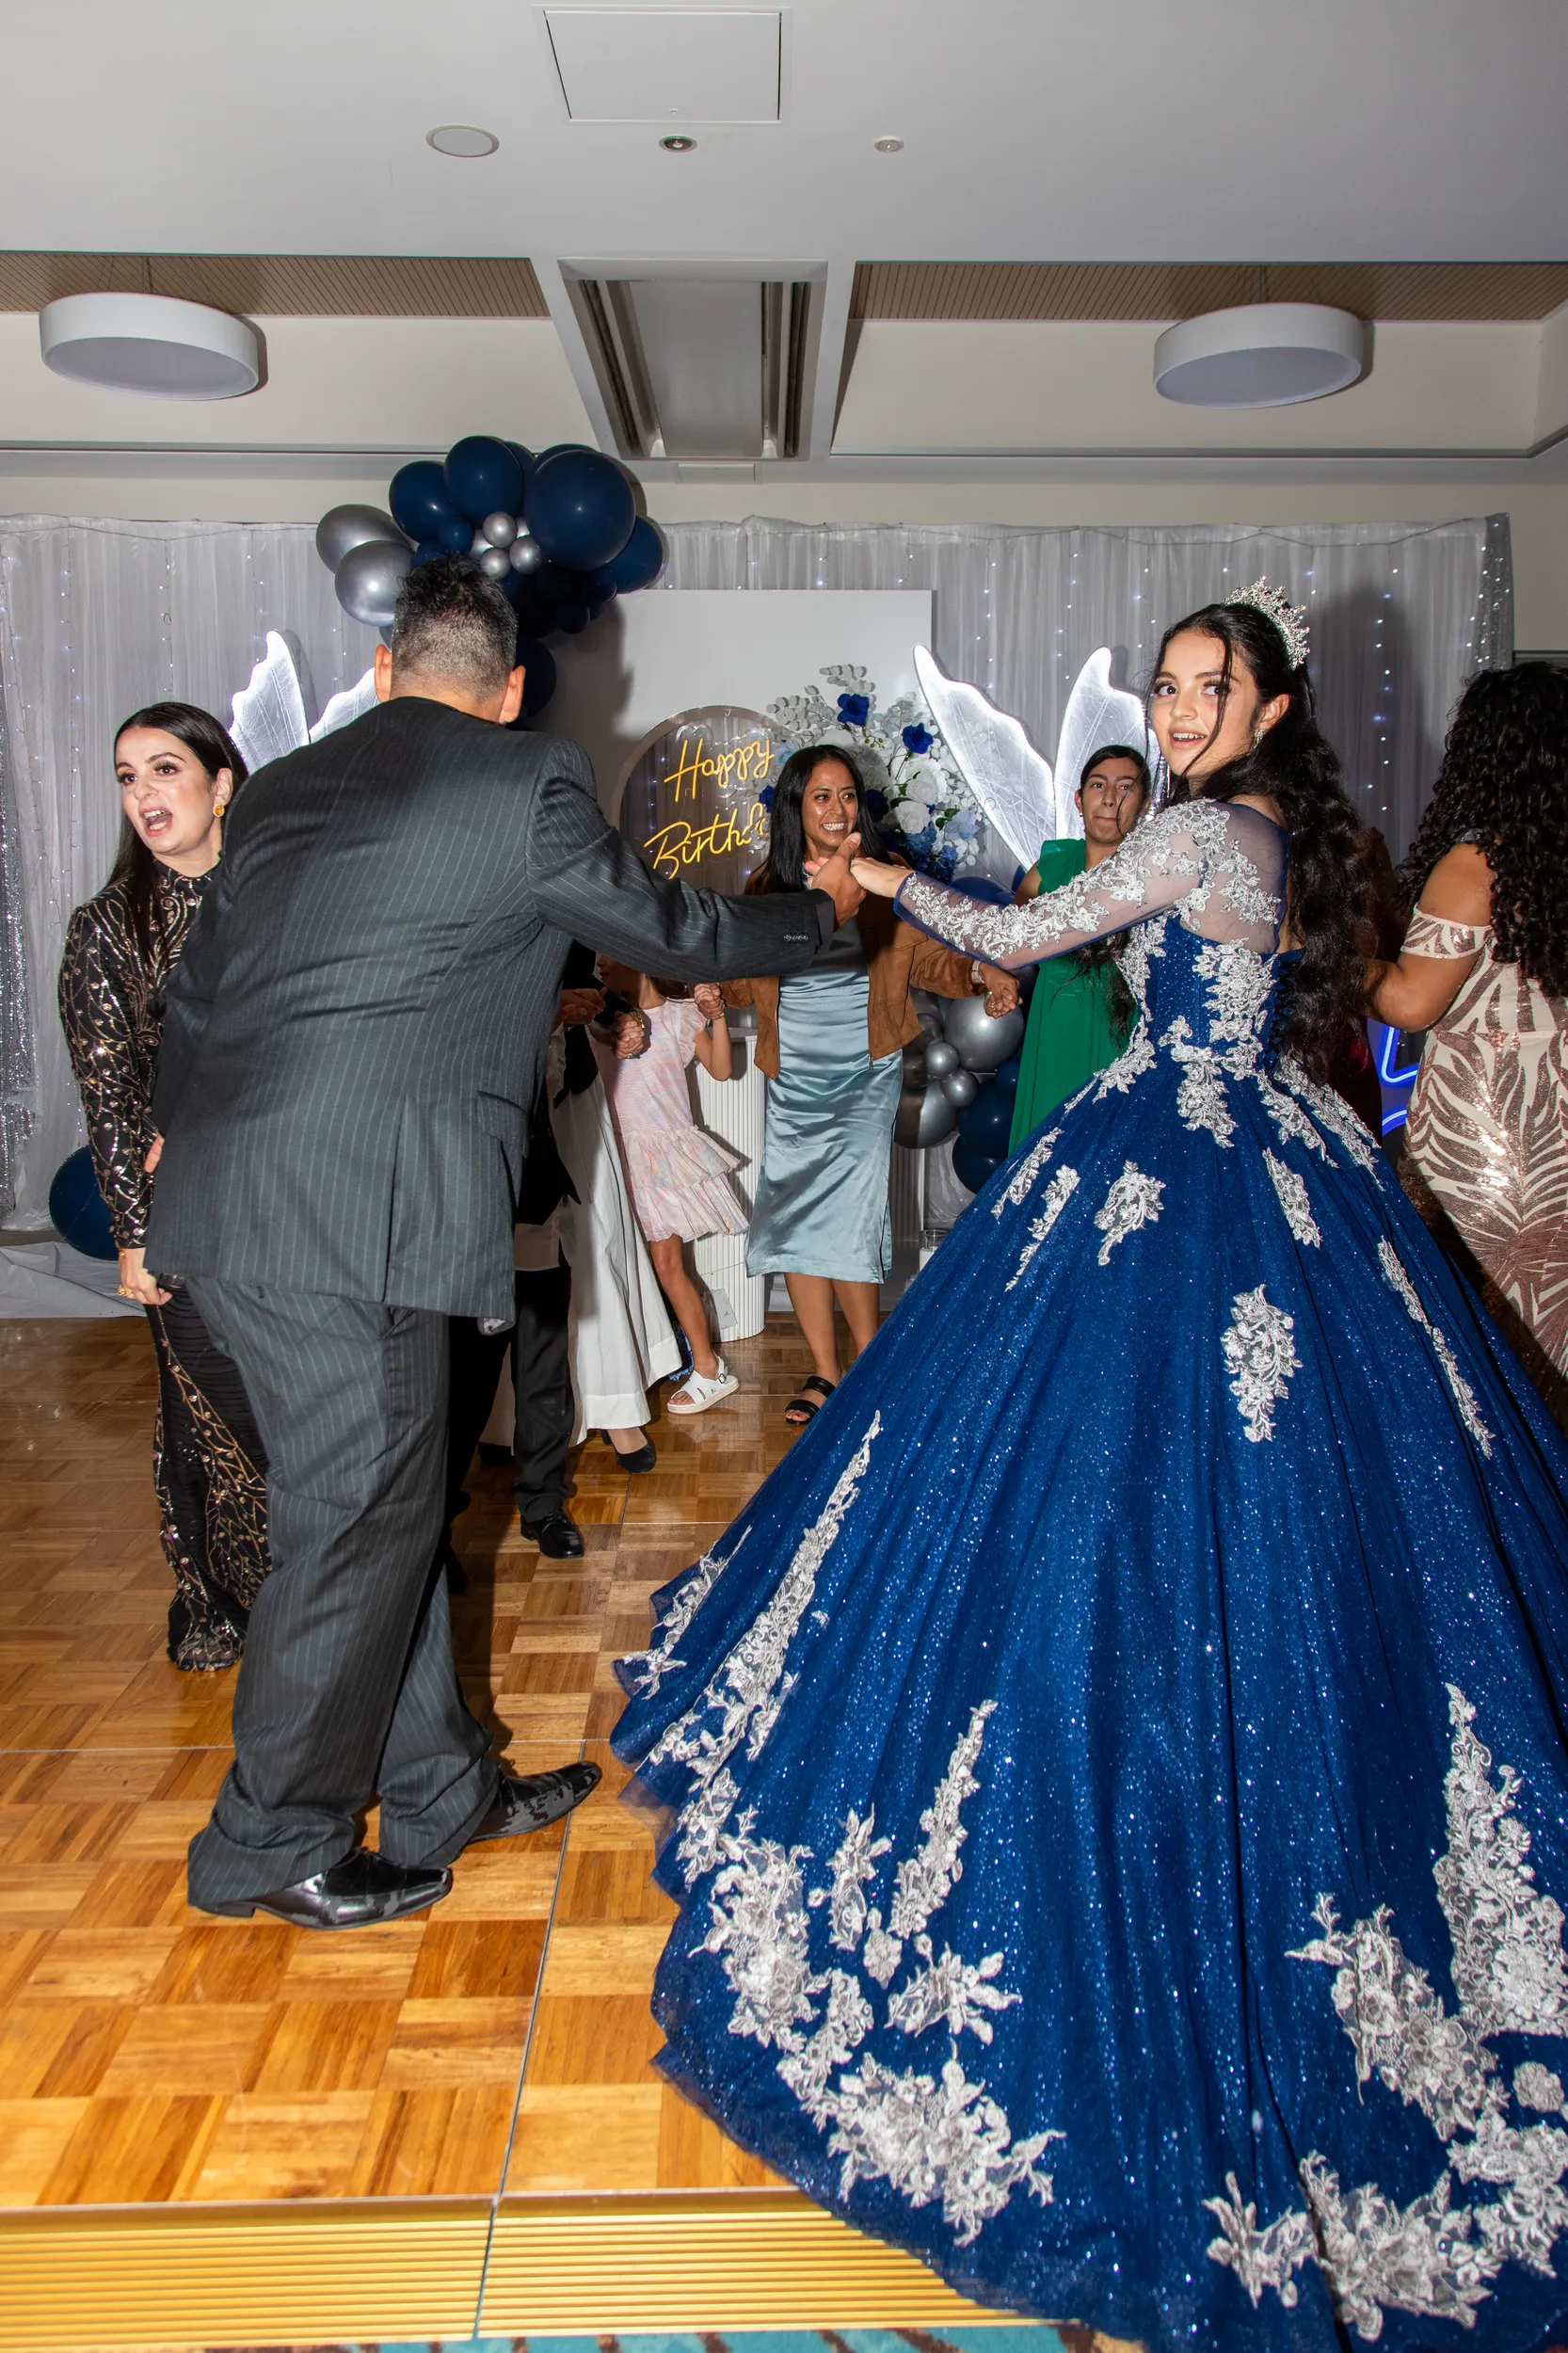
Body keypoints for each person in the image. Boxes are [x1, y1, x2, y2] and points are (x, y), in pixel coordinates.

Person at [610, 584, 1568, 2350]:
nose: (1180, 706)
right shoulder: (1281, 832)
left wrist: (888, 880)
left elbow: (1042, 929)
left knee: (1110, 1504)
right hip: (1254, 1158)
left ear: (1268, 707)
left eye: (1211, 687)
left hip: (1180, 1173)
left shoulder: (1210, 826)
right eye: (1169, 683)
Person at [144, 556, 866, 1934]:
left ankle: (438, 1791)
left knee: (388, 1508)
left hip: (242, 1209)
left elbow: (199, 998)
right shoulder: (521, 779)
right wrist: (823, 921)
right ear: (513, 688)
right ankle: (265, 1843)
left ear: (380, 671)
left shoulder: (286, 787)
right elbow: (666, 927)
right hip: (357, 1214)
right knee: (355, 1523)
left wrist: (192, 1149)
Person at [58, 704, 269, 1673]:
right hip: (181, 1212)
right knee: (202, 1407)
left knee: (302, 1405)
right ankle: (218, 1594)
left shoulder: (284, 897)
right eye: (127, 776)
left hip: (289, 1199)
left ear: (222, 782)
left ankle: (337, 1581)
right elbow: (108, 1096)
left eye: (165, 768)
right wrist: (134, 1238)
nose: (144, 793)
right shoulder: (105, 931)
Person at [725, 745, 1017, 1425]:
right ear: (796, 806)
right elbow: (743, 974)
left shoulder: (887, 882)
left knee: (854, 1218)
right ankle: (825, 1375)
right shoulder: (766, 888)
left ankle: (874, 1363)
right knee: (795, 1218)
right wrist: (714, 989)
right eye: (821, 796)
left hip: (863, 1076)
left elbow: (936, 961)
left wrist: (984, 974)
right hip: (794, 1079)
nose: (837, 808)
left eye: (848, 794)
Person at [1368, 663, 1568, 1418]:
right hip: (1558, 1137)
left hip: (1486, 1138)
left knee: (1480, 1360)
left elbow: (1412, 1004)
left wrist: (1345, 957)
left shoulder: (1477, 863)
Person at [592, 961, 745, 1417]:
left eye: (611, 954)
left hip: (659, 1159)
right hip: (613, 1155)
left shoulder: (679, 1015)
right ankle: (636, 1366)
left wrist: (716, 1015)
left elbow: (721, 1071)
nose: (601, 964)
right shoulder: (599, 1020)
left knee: (666, 1264)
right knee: (621, 1265)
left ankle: (709, 1367)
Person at [1008, 742, 1149, 1146]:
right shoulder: (1052, 864)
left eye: (1125, 787)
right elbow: (1006, 935)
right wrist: (994, 973)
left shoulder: (1157, 874)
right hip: (1055, 1032)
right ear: (1078, 798)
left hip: (1125, 1033)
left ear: (1143, 802)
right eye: (1097, 785)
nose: (1109, 798)